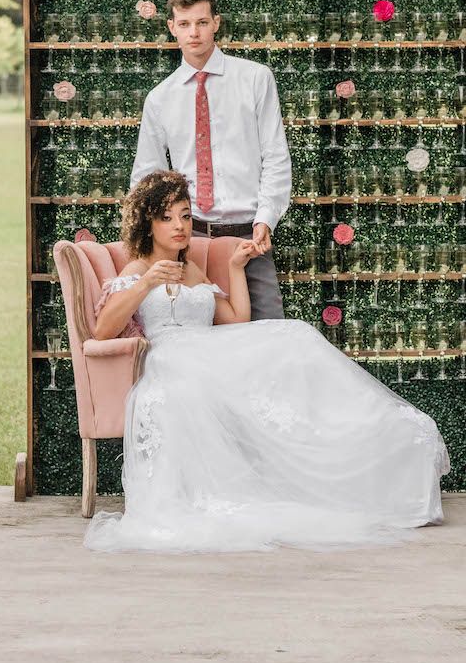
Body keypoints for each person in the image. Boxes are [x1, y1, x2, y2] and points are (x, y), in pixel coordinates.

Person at [85, 170, 450, 554]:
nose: (179, 226)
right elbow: (103, 331)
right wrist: (146, 283)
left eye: (186, 215)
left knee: (295, 334)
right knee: (272, 348)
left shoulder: (192, 269)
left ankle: (361, 431)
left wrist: (236, 270)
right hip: (173, 358)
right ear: (148, 223)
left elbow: (236, 320)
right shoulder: (137, 269)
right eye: (167, 217)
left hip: (211, 350)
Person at [131, 0, 291, 321]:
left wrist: (266, 218)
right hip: (190, 240)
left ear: (216, 23)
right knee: (202, 340)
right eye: (185, 24)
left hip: (250, 237)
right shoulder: (160, 98)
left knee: (269, 333)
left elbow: (276, 155)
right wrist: (157, 238)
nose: (194, 33)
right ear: (172, 28)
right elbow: (148, 177)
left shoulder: (255, 78)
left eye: (202, 22)